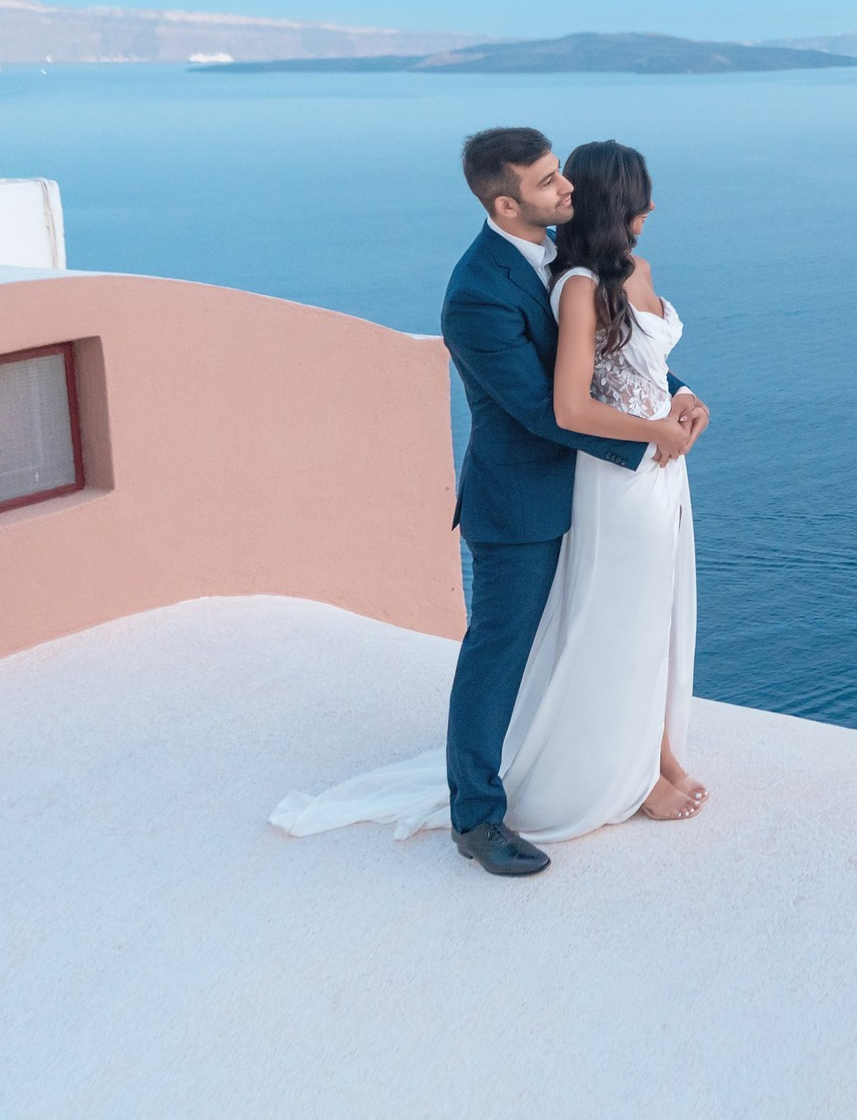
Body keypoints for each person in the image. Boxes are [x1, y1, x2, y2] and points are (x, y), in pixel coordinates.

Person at [269, 128, 710, 878]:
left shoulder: (570, 254)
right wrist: (650, 443)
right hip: (522, 502)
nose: (567, 187)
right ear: (506, 203)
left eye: (562, 176)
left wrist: (675, 392)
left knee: (592, 634)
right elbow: (547, 408)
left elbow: (615, 354)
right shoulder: (476, 293)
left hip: (596, 489)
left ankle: (615, 760)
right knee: (497, 649)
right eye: (548, 183)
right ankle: (476, 816)